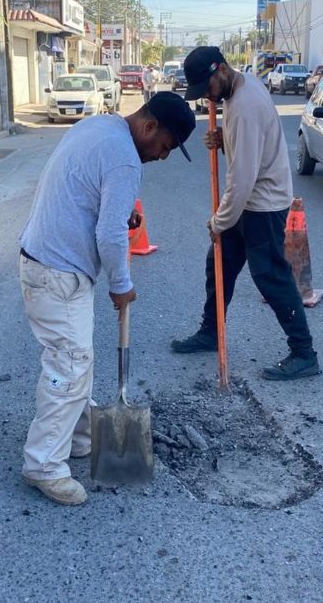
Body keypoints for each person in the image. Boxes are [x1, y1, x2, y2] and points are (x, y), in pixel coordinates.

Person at [18, 91, 196, 506]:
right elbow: (111, 235)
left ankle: (80, 435)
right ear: (149, 127)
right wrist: (121, 285)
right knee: (70, 364)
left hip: (42, 260)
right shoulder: (125, 160)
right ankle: (43, 464)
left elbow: (85, 190)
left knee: (75, 358)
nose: (163, 157)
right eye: (166, 146)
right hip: (58, 272)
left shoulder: (99, 126)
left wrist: (117, 212)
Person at [172, 46, 320, 381]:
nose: (208, 97)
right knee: (219, 264)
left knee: (271, 276)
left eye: (208, 88)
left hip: (262, 204)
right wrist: (225, 139)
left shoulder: (243, 107)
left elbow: (243, 178)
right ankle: (211, 332)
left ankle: (304, 353)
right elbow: (251, 147)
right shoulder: (240, 87)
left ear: (222, 70)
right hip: (247, 201)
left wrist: (219, 222)